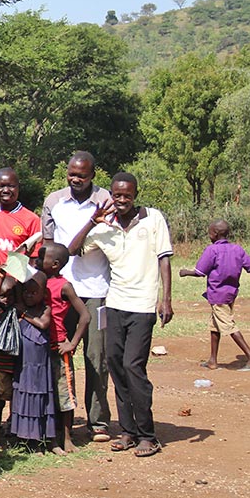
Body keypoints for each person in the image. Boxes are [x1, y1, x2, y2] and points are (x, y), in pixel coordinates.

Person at [68, 173, 173, 458]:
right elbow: (72, 250)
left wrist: (166, 299)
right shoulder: (105, 228)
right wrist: (93, 221)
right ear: (110, 196)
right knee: (115, 365)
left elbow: (164, 259)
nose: (122, 200)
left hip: (142, 306)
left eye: (127, 195)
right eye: (117, 195)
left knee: (133, 367)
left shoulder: (152, 219)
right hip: (114, 305)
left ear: (135, 194)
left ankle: (147, 435)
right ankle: (127, 431)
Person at [42, 151, 114, 442]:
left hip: (97, 290)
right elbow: (48, 245)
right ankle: (58, 422)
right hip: (61, 290)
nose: (76, 179)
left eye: (82, 175)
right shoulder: (54, 201)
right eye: (72, 174)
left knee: (97, 357)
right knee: (59, 355)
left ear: (92, 175)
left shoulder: (106, 199)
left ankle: (98, 422)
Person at [179, 219, 250, 370]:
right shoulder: (237, 249)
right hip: (231, 294)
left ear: (215, 233)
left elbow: (200, 272)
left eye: (209, 232)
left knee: (228, 325)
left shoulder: (212, 250)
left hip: (217, 295)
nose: (208, 235)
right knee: (215, 325)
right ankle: (212, 360)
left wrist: (185, 272)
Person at [39, 243, 91, 452]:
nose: (38, 258)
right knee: (48, 393)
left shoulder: (64, 286)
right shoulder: (36, 279)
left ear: (55, 264)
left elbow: (85, 316)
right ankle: (51, 439)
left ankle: (67, 438)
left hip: (59, 347)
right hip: (39, 346)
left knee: (65, 394)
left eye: (43, 257)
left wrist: (73, 342)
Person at [7, 275, 57, 448]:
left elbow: (43, 324)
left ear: (43, 293)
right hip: (24, 364)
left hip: (39, 364)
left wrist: (24, 314)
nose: (29, 296)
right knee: (23, 393)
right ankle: (24, 437)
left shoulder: (45, 309)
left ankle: (41, 437)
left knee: (39, 395)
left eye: (34, 292)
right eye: (26, 292)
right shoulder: (18, 306)